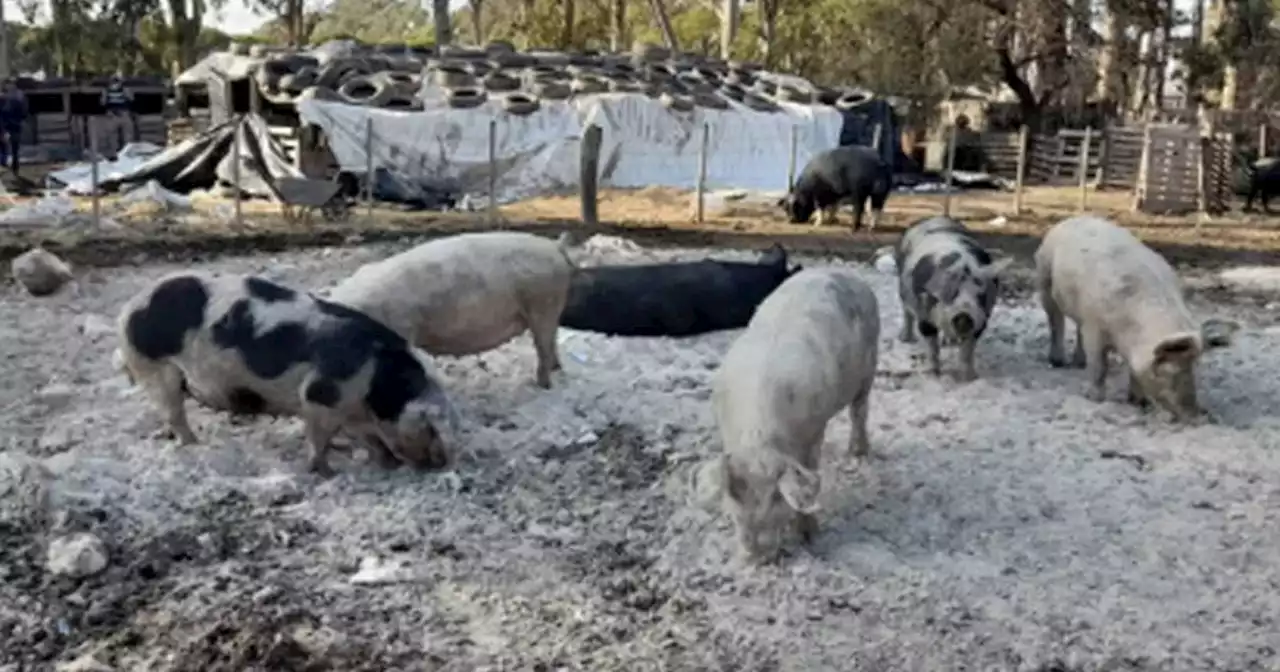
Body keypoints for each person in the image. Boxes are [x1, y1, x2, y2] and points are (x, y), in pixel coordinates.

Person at [98, 74, 134, 158]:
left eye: (117, 81)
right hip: (112, 115)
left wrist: (127, 93)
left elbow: (131, 99)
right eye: (114, 81)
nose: (115, 84)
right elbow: (102, 103)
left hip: (124, 113)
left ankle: (127, 153)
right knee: (112, 136)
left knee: (128, 135)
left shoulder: (124, 90)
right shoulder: (106, 91)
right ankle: (114, 154)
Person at [0, 79, 28, 175]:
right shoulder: (14, 96)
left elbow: (23, 110)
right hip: (8, 125)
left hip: (12, 125)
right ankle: (7, 165)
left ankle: (13, 166)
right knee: (7, 146)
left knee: (13, 147)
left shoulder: (16, 97)